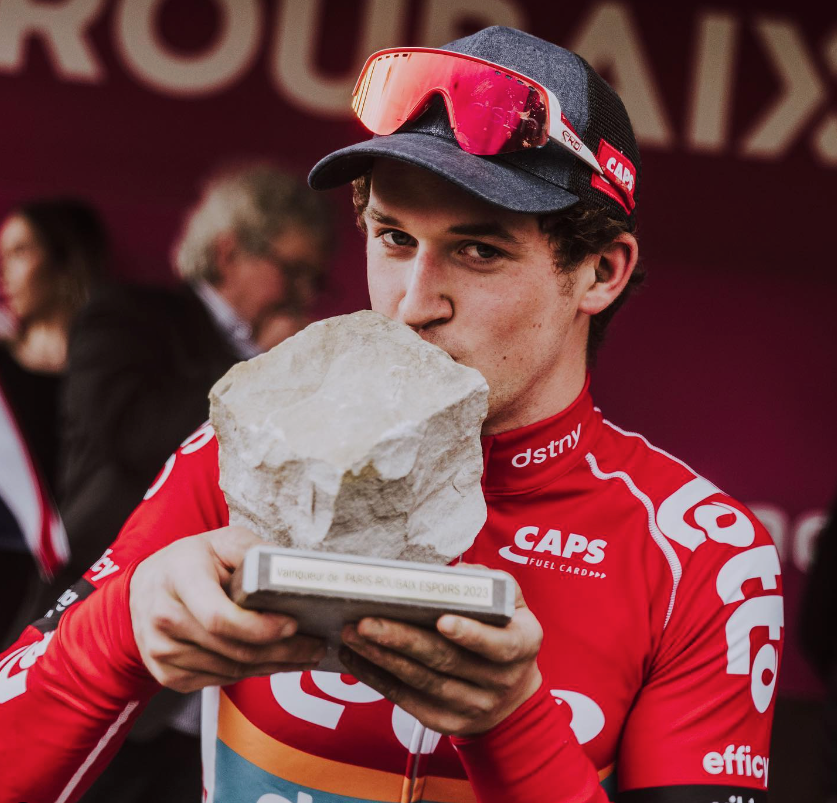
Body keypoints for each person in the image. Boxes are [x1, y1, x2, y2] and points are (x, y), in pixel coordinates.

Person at [0, 27, 783, 803]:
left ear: (600, 271)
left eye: (478, 250)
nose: (413, 303)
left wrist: (510, 728)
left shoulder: (701, 556)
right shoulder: (247, 453)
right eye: (393, 236)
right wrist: (119, 633)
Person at [38, 163, 332, 803]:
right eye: (293, 270)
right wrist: (261, 367)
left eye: (316, 277)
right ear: (229, 250)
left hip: (212, 689)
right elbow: (135, 433)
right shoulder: (129, 314)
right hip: (109, 637)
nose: (305, 293)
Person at [0, 198, 107, 644]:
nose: (4, 270)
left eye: (21, 251)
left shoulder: (113, 371)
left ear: (66, 260)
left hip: (86, 577)